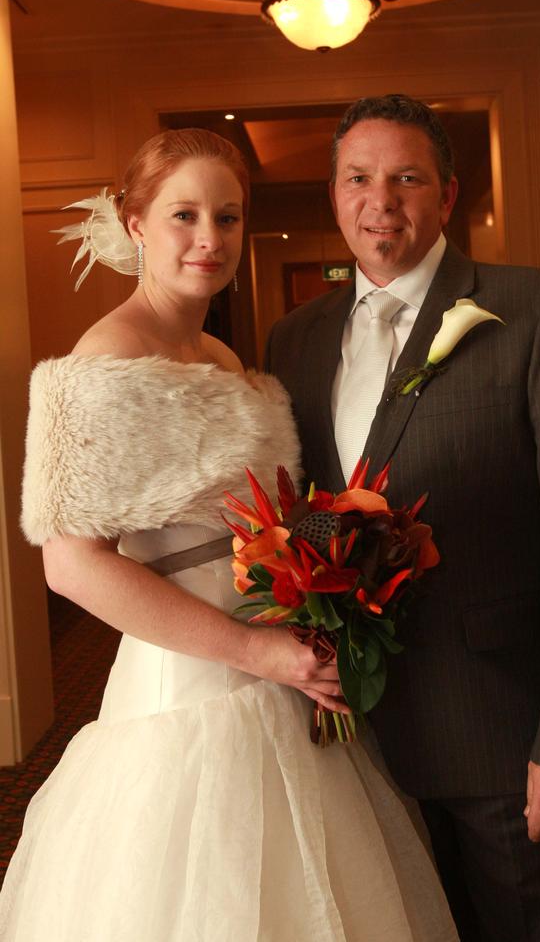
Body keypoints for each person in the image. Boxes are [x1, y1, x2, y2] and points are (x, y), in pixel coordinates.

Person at [0, 128, 459, 942]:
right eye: (184, 215)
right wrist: (256, 654)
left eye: (228, 216)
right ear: (135, 223)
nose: (210, 239)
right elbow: (71, 567)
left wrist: (357, 529)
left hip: (284, 672)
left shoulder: (222, 354)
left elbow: (258, 521)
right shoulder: (99, 363)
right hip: (192, 689)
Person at [265, 95, 540, 941]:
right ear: (333, 195)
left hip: (509, 736)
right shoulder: (290, 341)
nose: (382, 201)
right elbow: (309, 520)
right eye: (358, 179)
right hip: (357, 743)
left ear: (447, 193)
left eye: (407, 177)